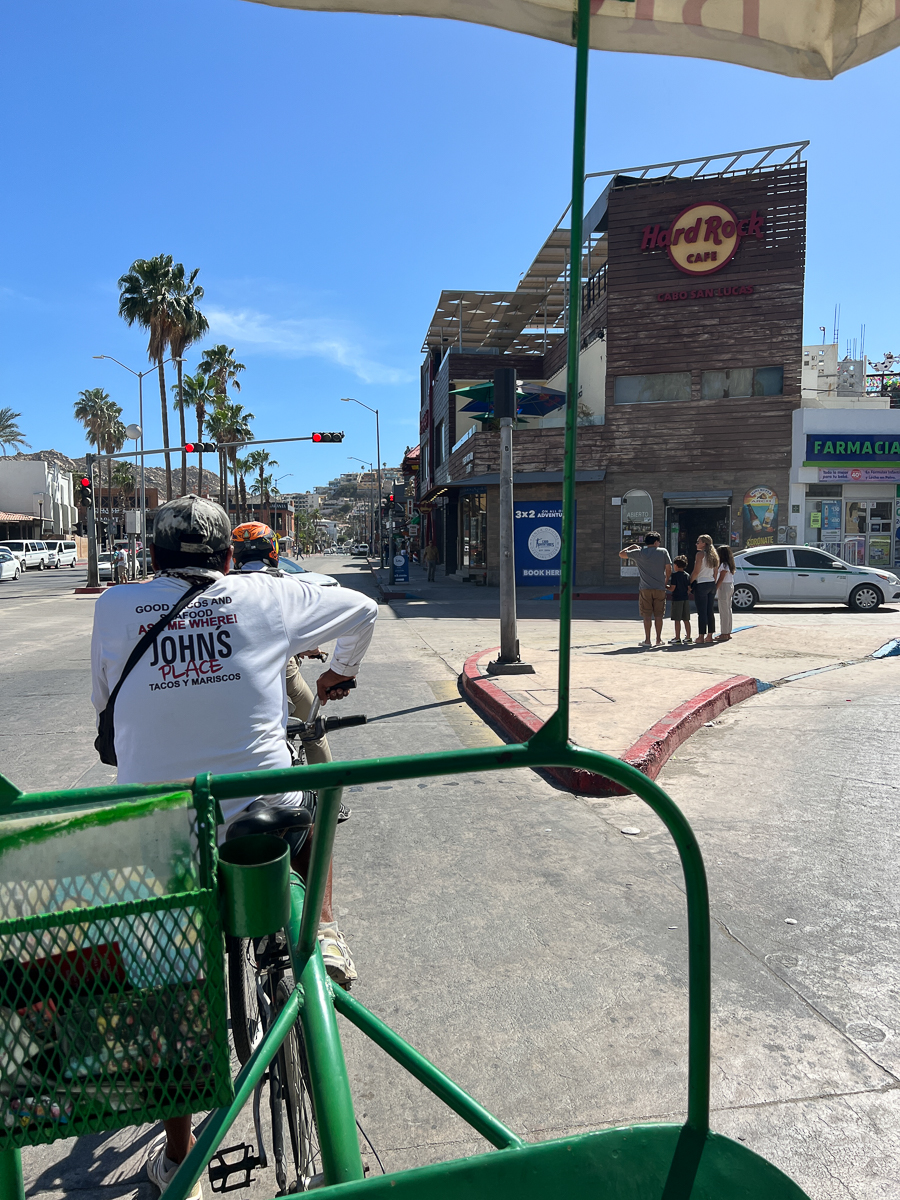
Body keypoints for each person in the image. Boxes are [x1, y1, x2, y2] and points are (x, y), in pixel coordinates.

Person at [90, 495, 378, 1199]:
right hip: (263, 828)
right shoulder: (265, 596)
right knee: (311, 798)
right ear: (228, 558)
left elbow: (104, 715)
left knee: (173, 994)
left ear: (151, 559)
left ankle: (179, 1159)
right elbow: (364, 611)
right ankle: (324, 935)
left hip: (164, 831)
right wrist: (338, 674)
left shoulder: (113, 607)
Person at [618, 531, 672, 647]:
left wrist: (632, 546)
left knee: (646, 615)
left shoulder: (639, 552)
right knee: (659, 615)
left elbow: (621, 554)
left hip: (645, 588)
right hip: (659, 588)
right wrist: (665, 581)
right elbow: (669, 569)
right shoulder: (663, 552)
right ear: (656, 542)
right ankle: (658, 639)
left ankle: (647, 640)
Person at [689, 534, 720, 645]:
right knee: (709, 611)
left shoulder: (700, 555)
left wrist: (690, 582)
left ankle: (701, 636)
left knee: (701, 612)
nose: (696, 544)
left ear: (704, 544)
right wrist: (713, 582)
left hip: (701, 584)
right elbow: (716, 572)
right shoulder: (714, 555)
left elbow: (696, 571)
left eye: (698, 542)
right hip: (711, 583)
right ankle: (710, 635)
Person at [666, 555, 692, 644]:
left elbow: (672, 588)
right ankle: (688, 637)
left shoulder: (675, 576)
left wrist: (666, 586)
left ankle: (677, 637)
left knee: (677, 619)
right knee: (686, 619)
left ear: (676, 565)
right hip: (685, 598)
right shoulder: (687, 575)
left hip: (677, 599)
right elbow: (689, 588)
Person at [715, 544, 736, 641]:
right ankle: (727, 631)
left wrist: (715, 588)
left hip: (724, 586)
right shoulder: (729, 564)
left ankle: (724, 633)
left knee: (723, 610)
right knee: (728, 609)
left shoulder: (723, 565)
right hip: (730, 585)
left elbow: (721, 579)